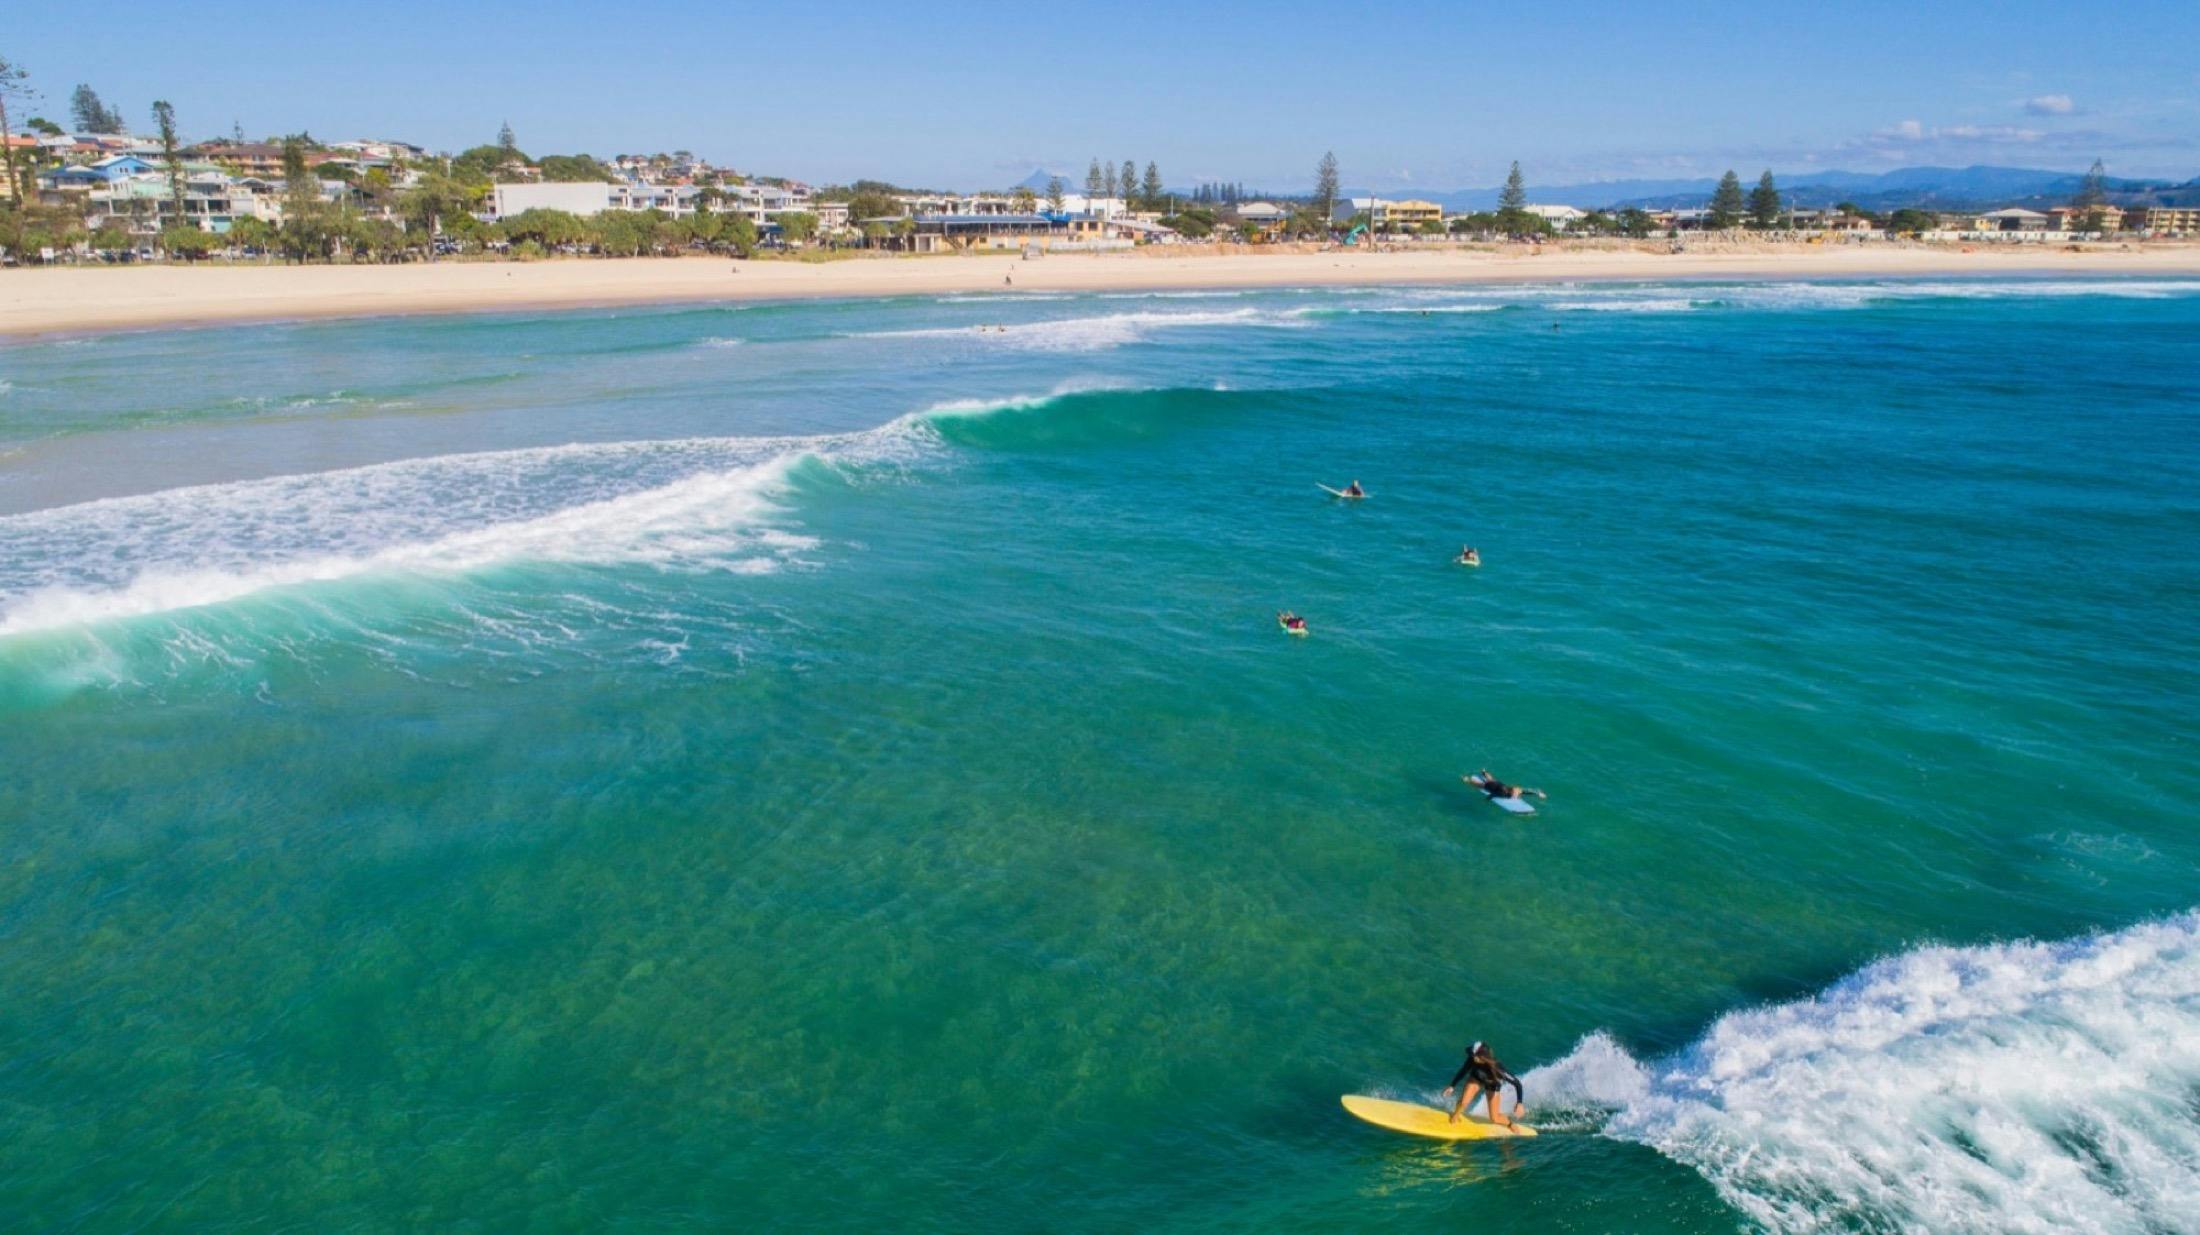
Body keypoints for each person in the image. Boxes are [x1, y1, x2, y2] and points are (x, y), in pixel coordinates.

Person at [1442, 1041, 1527, 1127]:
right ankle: (1455, 1116)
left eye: (1473, 1054)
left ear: (1481, 1056)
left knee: (1494, 1118)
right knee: (1463, 1102)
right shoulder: (1472, 1059)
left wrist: (1519, 1103)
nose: (1471, 1056)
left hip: (1492, 1084)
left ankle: (1510, 1125)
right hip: (1476, 1077)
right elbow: (1463, 1070)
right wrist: (1452, 1086)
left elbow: (1517, 1084)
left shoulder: (1497, 1068)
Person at [1471, 770, 1545, 802]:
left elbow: (1527, 792)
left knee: (1491, 779)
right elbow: (1493, 794)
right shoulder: (1503, 793)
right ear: (1510, 792)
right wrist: (1486, 800)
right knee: (1478, 784)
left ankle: (1483, 772)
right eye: (1515, 795)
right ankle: (1466, 779)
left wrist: (1538, 793)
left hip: (1497, 783)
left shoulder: (1517, 792)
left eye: (1516, 794)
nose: (1516, 796)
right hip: (1489, 786)